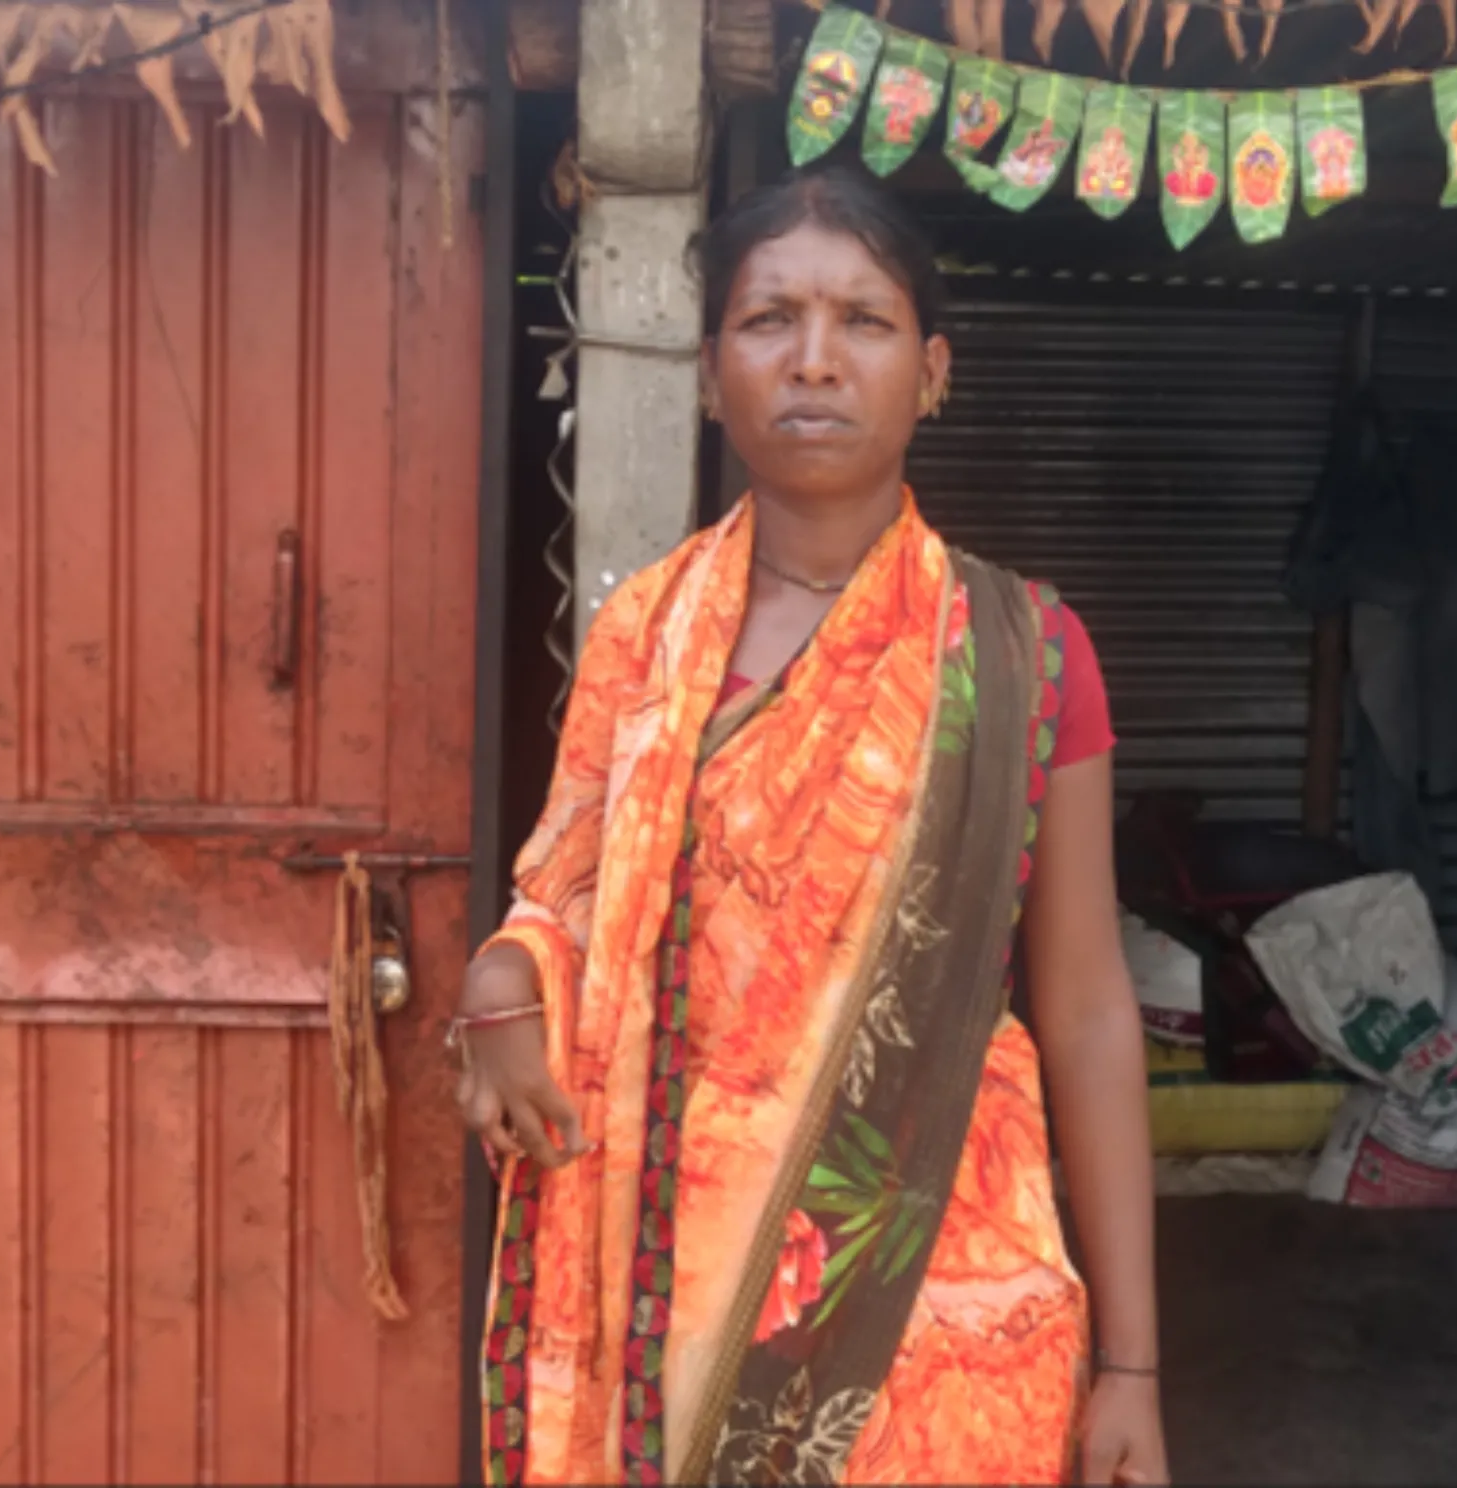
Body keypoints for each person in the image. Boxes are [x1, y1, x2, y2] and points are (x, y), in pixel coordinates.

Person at [453, 163, 1168, 1488]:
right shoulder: (642, 638)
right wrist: (503, 983)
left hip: (942, 1300)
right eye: (770, 319)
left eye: (866, 321)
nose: (816, 360)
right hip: (667, 1284)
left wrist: (1133, 1364)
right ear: (714, 366)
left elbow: (1082, 1007)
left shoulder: (1026, 655)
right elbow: (558, 893)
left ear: (933, 370)